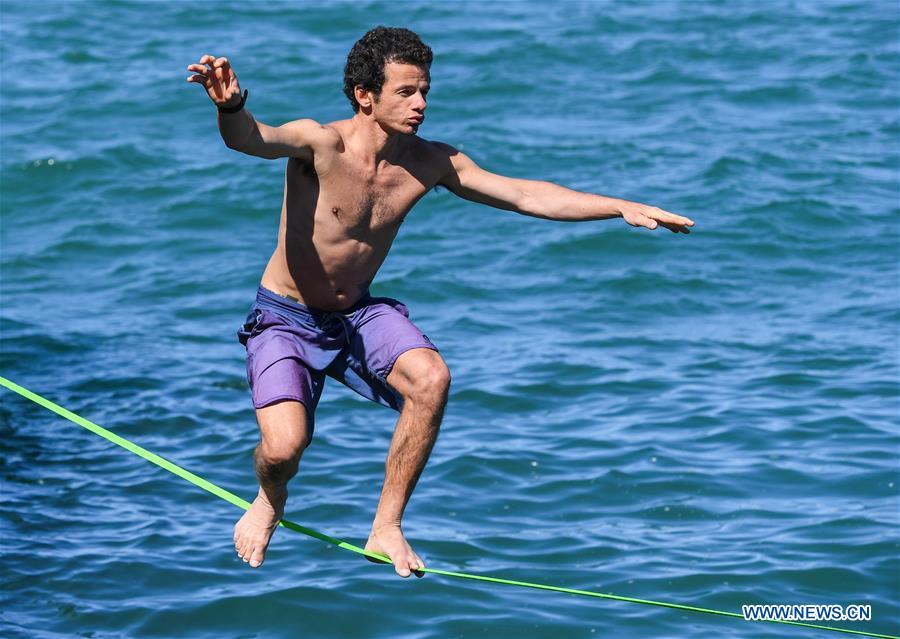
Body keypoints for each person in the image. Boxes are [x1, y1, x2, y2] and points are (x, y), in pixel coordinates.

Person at [186, 26, 694, 579]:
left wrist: (619, 206)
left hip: (356, 312)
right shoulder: (320, 143)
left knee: (431, 379)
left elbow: (526, 193)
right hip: (285, 318)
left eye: (424, 90)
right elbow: (251, 139)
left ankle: (386, 527)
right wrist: (232, 105)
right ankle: (269, 500)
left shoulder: (431, 163)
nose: (421, 104)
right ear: (365, 95)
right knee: (283, 451)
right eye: (405, 92)